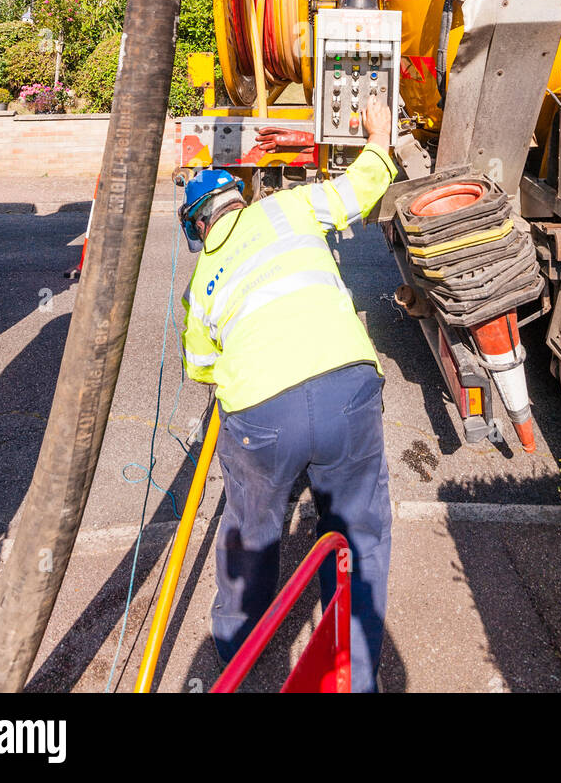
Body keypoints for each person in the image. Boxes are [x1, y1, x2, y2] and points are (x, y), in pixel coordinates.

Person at [180, 95, 396, 692]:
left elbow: (201, 366)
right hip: (347, 387)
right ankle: (351, 677)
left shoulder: (201, 283)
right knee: (359, 534)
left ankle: (239, 655)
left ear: (201, 226)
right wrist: (379, 134)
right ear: (238, 200)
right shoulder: (289, 208)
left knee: (251, 528)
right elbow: (363, 185)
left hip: (260, 416)